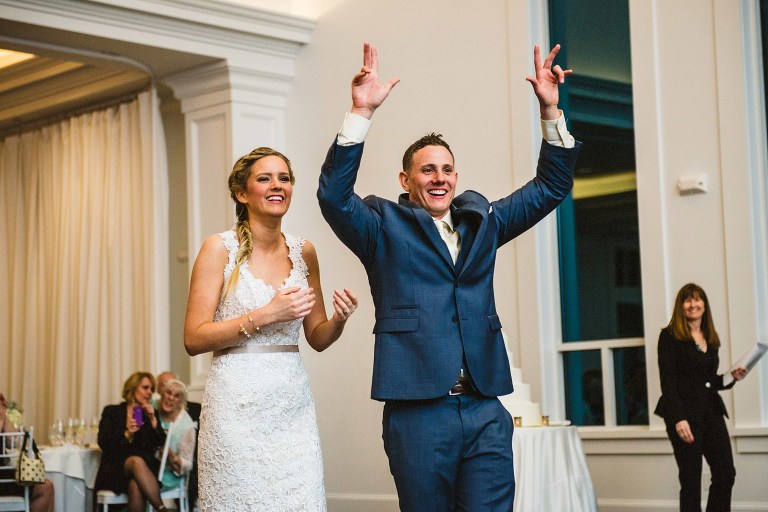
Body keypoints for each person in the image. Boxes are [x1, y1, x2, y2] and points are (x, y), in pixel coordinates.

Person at [317, 42, 581, 510]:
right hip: (419, 412)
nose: (439, 178)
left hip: (485, 407)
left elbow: (551, 187)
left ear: (456, 177)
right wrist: (360, 113)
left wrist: (550, 109)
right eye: (427, 170)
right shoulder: (382, 228)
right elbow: (335, 198)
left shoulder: (484, 222)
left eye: (447, 169)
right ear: (405, 180)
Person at [184, 146, 359, 511]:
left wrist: (339, 320)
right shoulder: (219, 249)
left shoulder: (303, 251)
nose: (277, 185)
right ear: (242, 193)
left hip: (291, 405)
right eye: (265, 178)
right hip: (235, 406)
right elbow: (193, 337)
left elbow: (317, 337)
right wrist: (265, 314)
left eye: (284, 178)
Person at [654, 283, 747, 512]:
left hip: (711, 411)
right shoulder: (669, 337)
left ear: (704, 305)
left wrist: (731, 377)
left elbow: (708, 382)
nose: (693, 304)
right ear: (681, 306)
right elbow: (668, 383)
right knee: (691, 481)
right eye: (688, 300)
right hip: (684, 415)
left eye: (697, 299)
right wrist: (678, 419)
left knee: (725, 473)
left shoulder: (711, 339)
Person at [94, 372, 169, 512]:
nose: (149, 392)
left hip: (143, 470)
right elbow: (103, 442)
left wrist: (153, 420)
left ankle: (161, 509)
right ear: (133, 388)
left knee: (136, 484)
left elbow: (159, 444)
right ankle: (162, 509)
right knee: (135, 461)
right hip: (116, 468)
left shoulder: (149, 415)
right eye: (145, 387)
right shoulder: (112, 411)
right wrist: (127, 433)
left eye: (151, 389)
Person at [0, 393, 54, 512]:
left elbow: (15, 441)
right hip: (2, 480)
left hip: (4, 476)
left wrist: (3, 416)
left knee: (46, 486)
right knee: (46, 488)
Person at [156, 379, 195, 494]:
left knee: (138, 483)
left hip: (168, 475)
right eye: (168, 392)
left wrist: (172, 457)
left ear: (181, 402)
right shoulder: (152, 407)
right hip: (148, 467)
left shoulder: (186, 425)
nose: (171, 398)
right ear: (162, 393)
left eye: (177, 396)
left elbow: (188, 464)